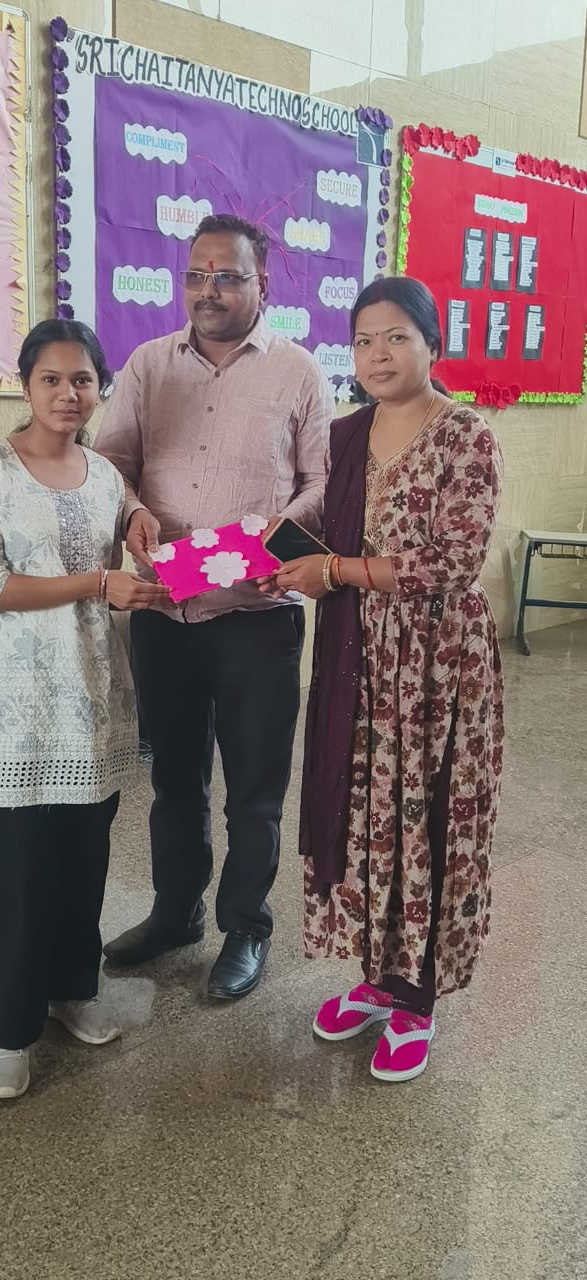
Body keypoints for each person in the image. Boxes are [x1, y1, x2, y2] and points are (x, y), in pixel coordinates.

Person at [261, 276, 504, 1081]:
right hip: (358, 656)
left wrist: (333, 570)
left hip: (435, 667)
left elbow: (453, 562)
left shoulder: (465, 436)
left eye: (397, 337)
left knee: (423, 816)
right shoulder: (345, 435)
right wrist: (264, 552)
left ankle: (416, 998)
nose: (378, 354)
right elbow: (319, 524)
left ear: (433, 344)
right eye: (364, 340)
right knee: (366, 812)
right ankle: (377, 977)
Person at [95, 213, 332, 999]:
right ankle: (176, 912)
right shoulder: (147, 364)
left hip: (255, 614)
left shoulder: (298, 371)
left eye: (227, 276)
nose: (209, 290)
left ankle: (246, 927)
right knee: (174, 782)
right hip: (164, 610)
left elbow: (323, 480)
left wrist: (282, 533)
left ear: (263, 283)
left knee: (254, 791)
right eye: (196, 275)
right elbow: (110, 463)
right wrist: (132, 510)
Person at [0, 319, 170, 1099]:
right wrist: (99, 584)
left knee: (84, 865)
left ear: (99, 388)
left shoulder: (105, 476)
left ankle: (72, 990)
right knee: (17, 875)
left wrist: (139, 533)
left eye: (82, 380)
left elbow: (122, 533)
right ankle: (9, 1028)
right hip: (19, 711)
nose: (68, 393)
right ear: (26, 385)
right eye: (51, 378)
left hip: (95, 699)